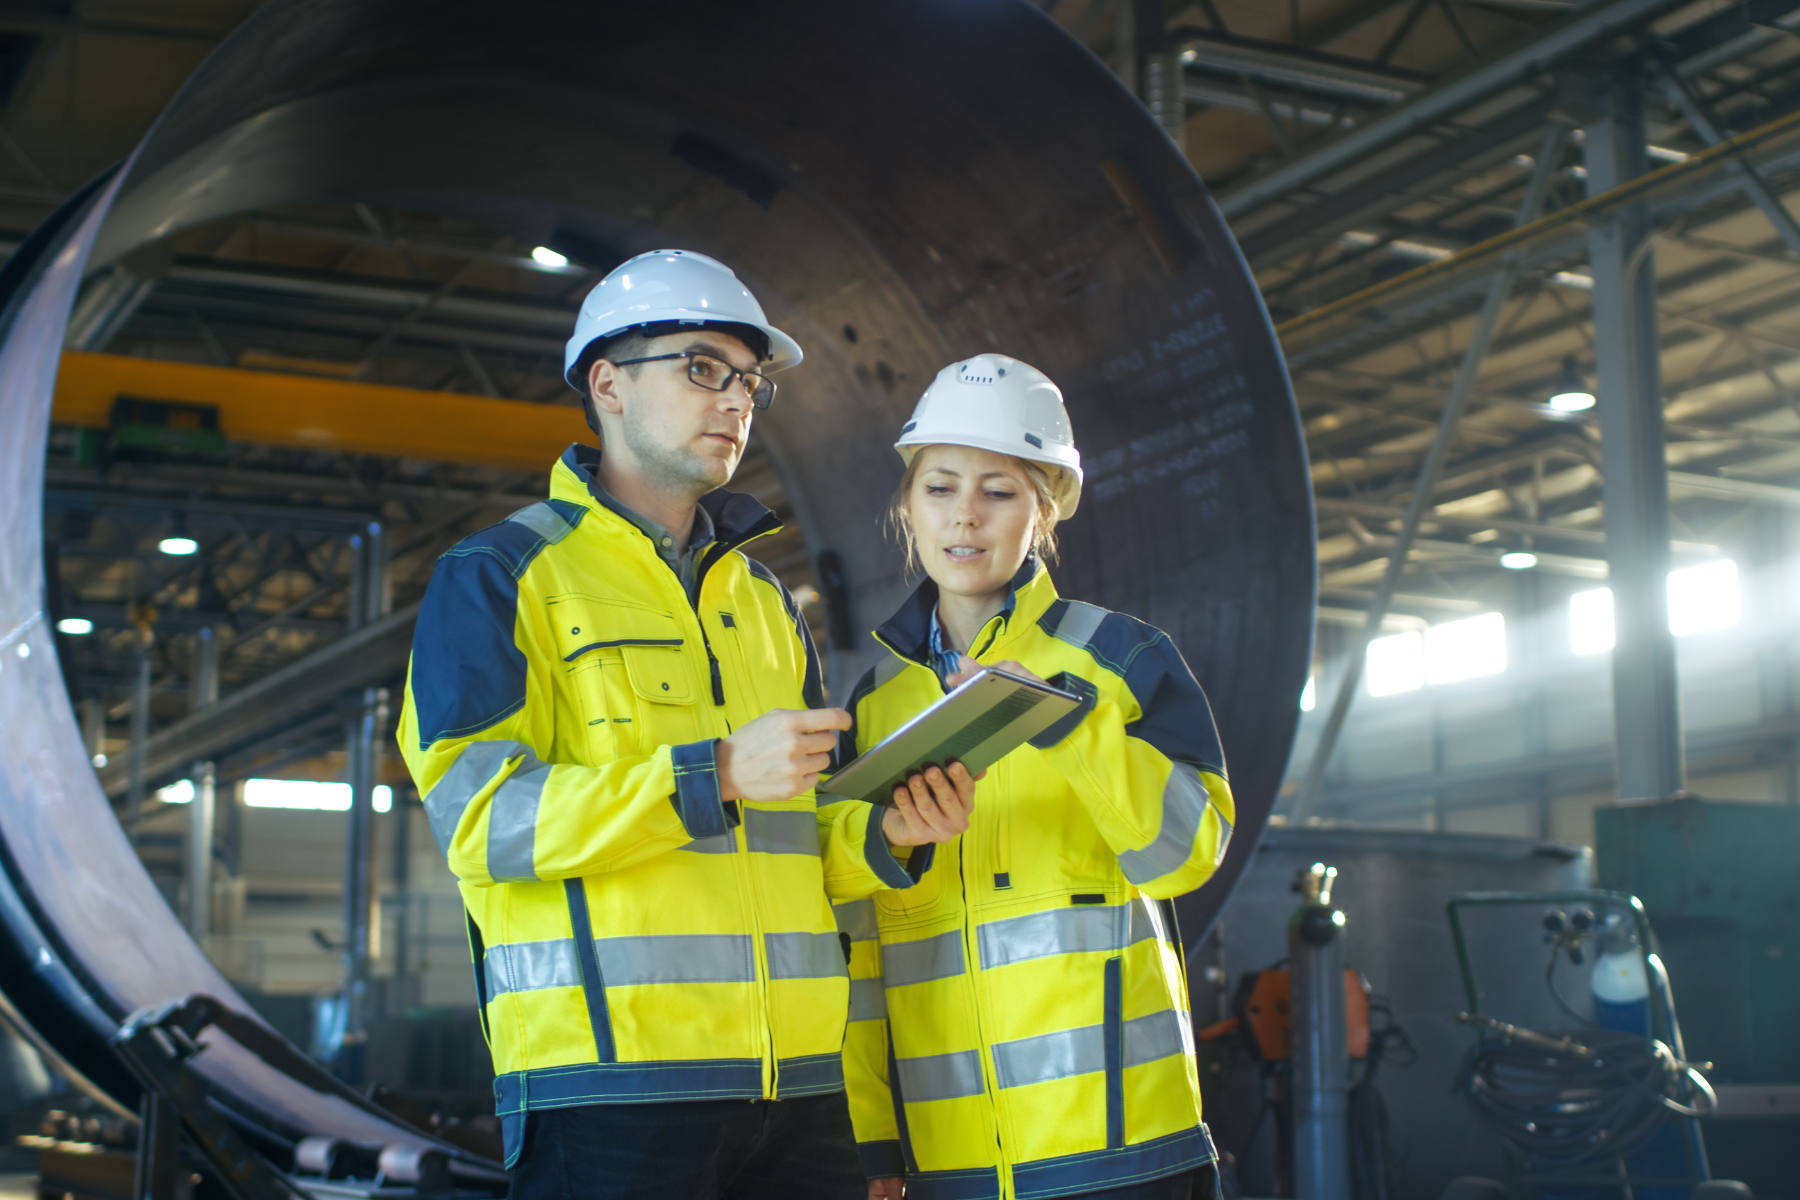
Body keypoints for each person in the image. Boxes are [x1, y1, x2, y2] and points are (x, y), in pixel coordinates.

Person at [397, 249, 973, 1200]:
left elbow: (799, 850)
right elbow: (483, 823)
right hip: (610, 1087)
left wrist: (887, 835)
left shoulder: (763, 601)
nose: (736, 399)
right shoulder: (500, 576)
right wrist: (710, 774)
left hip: (798, 1088)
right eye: (703, 367)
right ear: (609, 383)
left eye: (749, 381)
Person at [837, 354, 1235, 1200]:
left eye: (1000, 491)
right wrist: (872, 1141)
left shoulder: (1121, 661)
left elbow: (1187, 854)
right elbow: (855, 944)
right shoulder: (871, 709)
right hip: (951, 1164)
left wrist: (1067, 723)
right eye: (939, 488)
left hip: (1124, 1145)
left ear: (1044, 510)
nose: (966, 518)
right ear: (907, 504)